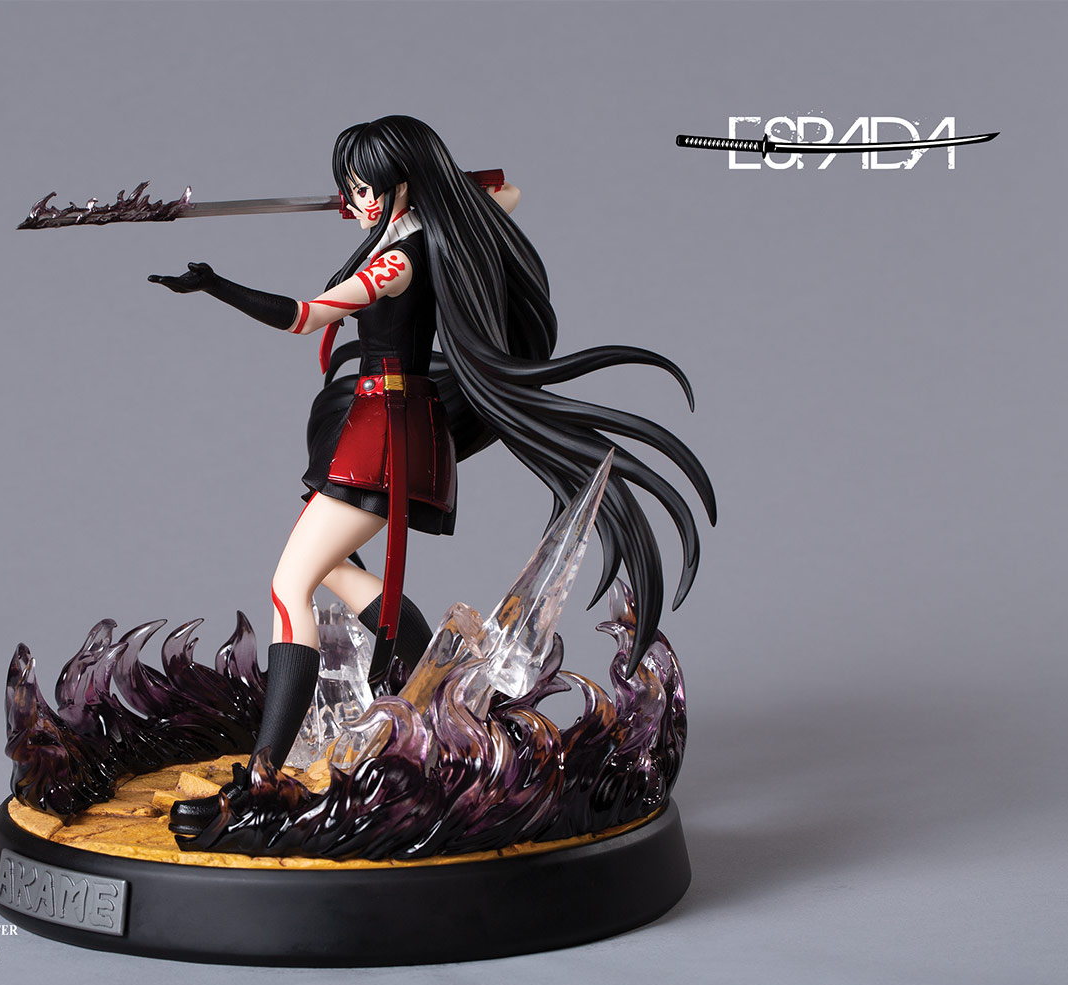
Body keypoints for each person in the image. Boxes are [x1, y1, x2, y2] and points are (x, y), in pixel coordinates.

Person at [149, 116, 714, 838]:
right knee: (334, 574)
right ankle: (445, 699)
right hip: (380, 426)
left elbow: (305, 316)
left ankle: (263, 772)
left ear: (403, 185)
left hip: (382, 437)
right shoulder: (414, 233)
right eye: (347, 189)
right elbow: (506, 193)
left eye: (366, 188)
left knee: (289, 586)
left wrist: (214, 284)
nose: (354, 202)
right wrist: (424, 197)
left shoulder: (397, 263)